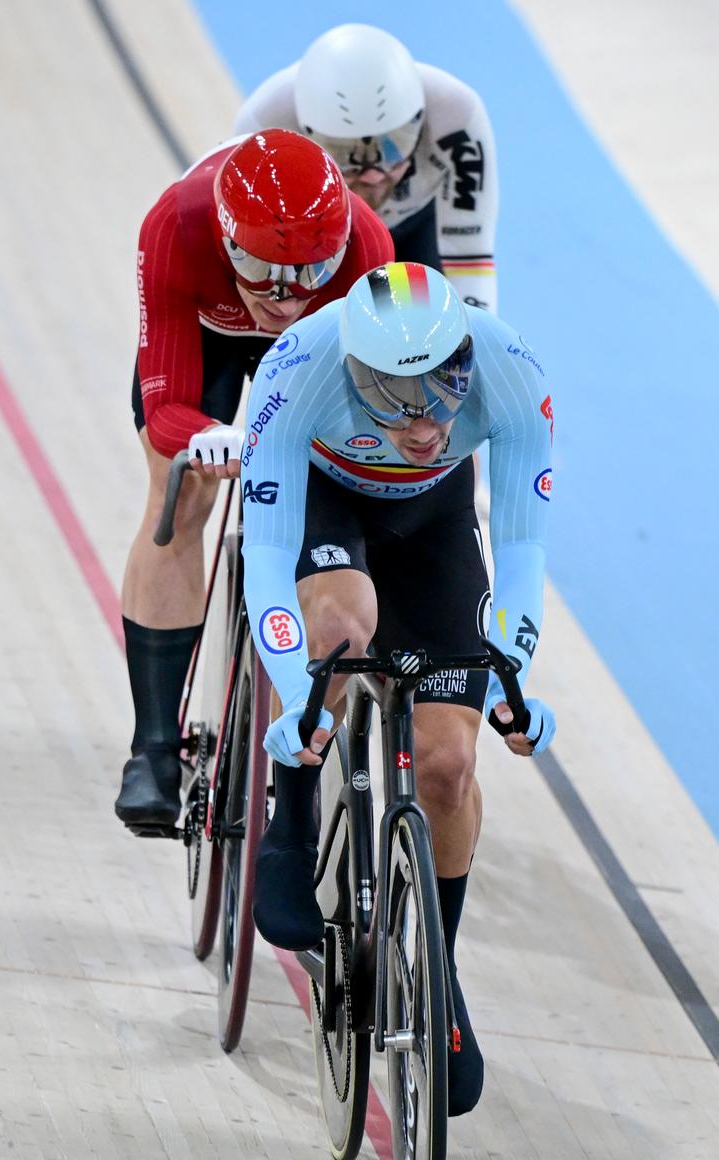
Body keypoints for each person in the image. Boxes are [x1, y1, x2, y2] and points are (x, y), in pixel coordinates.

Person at [237, 262, 557, 1115]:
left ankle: (437, 973)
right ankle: (294, 811)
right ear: (351, 371)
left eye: (444, 393)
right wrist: (287, 694)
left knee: (451, 766)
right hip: (326, 508)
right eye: (393, 396)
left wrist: (512, 673)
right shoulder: (298, 366)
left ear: (465, 359)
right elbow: (264, 560)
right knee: (345, 625)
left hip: (432, 523)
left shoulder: (511, 366)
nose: (424, 423)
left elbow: (522, 554)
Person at [116, 129, 394, 834]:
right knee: (180, 495)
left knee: (326, 498)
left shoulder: (366, 248)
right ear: (227, 240)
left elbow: (365, 409)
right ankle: (153, 748)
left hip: (314, 357)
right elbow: (165, 404)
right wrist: (209, 441)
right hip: (206, 339)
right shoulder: (176, 225)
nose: (283, 296)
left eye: (306, 272)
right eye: (266, 272)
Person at [234, 24, 499, 313]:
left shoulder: (456, 114)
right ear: (305, 132)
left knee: (431, 322)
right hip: (318, 236)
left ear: (420, 119)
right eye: (345, 154)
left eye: (394, 146)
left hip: (415, 225)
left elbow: (468, 253)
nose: (373, 175)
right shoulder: (264, 127)